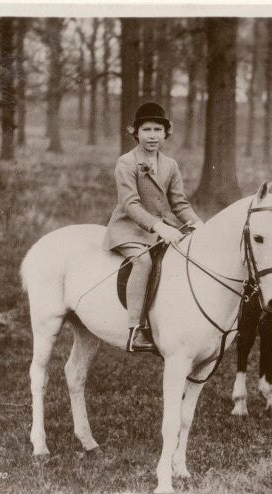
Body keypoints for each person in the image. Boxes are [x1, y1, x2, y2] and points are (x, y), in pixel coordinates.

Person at [103, 102, 200, 352]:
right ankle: (135, 329)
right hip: (128, 229)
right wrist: (159, 226)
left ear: (166, 133)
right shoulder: (126, 162)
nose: (153, 136)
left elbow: (179, 203)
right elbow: (130, 204)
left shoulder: (170, 164)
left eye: (158, 130)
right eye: (146, 130)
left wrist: (199, 225)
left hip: (160, 230)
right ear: (136, 132)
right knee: (143, 262)